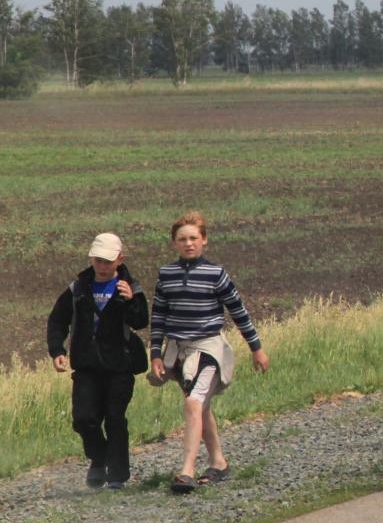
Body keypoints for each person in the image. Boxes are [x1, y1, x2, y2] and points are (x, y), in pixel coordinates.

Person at [148, 212, 268, 495]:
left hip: (208, 349)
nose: (188, 244)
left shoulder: (216, 274)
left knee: (193, 403)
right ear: (174, 243)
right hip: (178, 351)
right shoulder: (167, 274)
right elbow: (159, 316)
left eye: (193, 238)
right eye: (182, 239)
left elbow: (238, 312)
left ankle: (186, 470)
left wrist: (257, 349)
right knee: (200, 406)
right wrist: (155, 354)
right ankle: (219, 462)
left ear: (204, 241)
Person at [46, 233, 148, 490]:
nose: (102, 266)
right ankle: (99, 457)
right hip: (86, 367)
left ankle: (116, 476)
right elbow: (57, 321)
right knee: (83, 419)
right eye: (98, 260)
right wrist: (57, 350)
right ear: (91, 258)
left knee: (115, 418)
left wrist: (130, 300)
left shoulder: (131, 287)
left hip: (119, 367)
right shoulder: (77, 289)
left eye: (107, 261)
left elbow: (141, 321)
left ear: (119, 260)